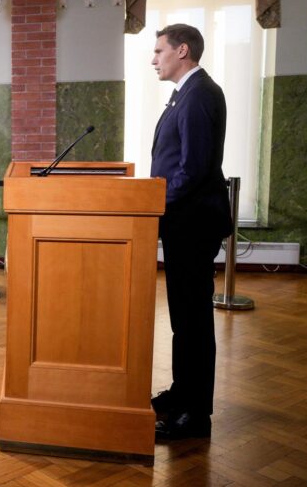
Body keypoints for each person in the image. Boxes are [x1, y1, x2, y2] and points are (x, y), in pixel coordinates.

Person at [149, 23, 230, 440]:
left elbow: (194, 167)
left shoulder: (200, 94)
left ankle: (195, 415)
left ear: (182, 51)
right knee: (184, 318)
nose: (153, 59)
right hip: (183, 222)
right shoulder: (189, 92)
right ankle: (182, 393)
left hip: (193, 223)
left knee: (194, 319)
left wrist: (156, 201)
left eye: (159, 51)